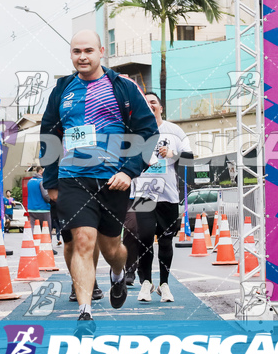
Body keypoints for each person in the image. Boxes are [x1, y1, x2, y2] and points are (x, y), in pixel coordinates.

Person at [40, 30, 158, 333]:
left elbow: (148, 134)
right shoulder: (62, 90)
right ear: (71, 54)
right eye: (77, 51)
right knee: (82, 241)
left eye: (88, 51)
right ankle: (85, 312)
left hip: (112, 182)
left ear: (101, 51)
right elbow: (49, 135)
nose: (83, 56)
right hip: (73, 178)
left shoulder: (123, 87)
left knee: (111, 247)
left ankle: (118, 272)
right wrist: (51, 180)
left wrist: (128, 171)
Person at [128, 92, 193, 303]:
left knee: (166, 241)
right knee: (145, 237)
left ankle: (164, 284)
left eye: (153, 102)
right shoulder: (135, 131)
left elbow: (190, 159)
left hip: (168, 195)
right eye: (145, 103)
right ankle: (146, 282)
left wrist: (172, 154)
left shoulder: (174, 131)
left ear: (161, 108)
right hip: (144, 193)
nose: (149, 106)